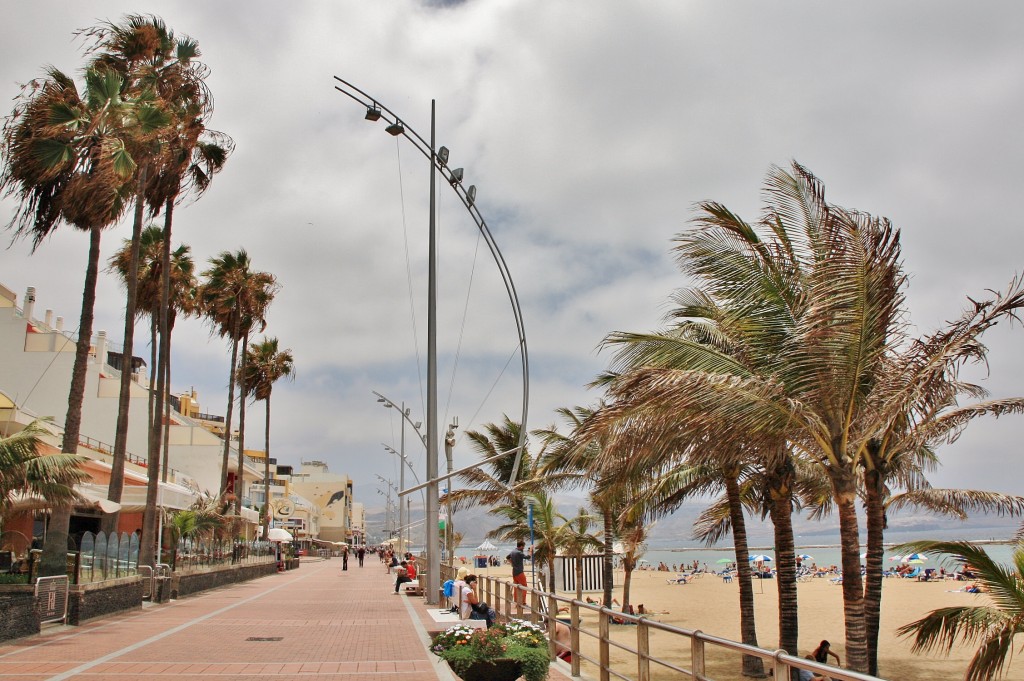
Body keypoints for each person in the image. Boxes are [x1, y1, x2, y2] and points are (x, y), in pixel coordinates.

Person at [507, 540, 527, 606]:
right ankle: (522, 602)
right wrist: (530, 551)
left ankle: (516, 601)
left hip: (514, 571)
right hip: (519, 572)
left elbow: (507, 557)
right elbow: (528, 557)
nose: (524, 548)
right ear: (521, 546)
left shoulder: (513, 551)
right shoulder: (519, 552)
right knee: (524, 586)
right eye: (523, 547)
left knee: (516, 586)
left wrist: (511, 563)